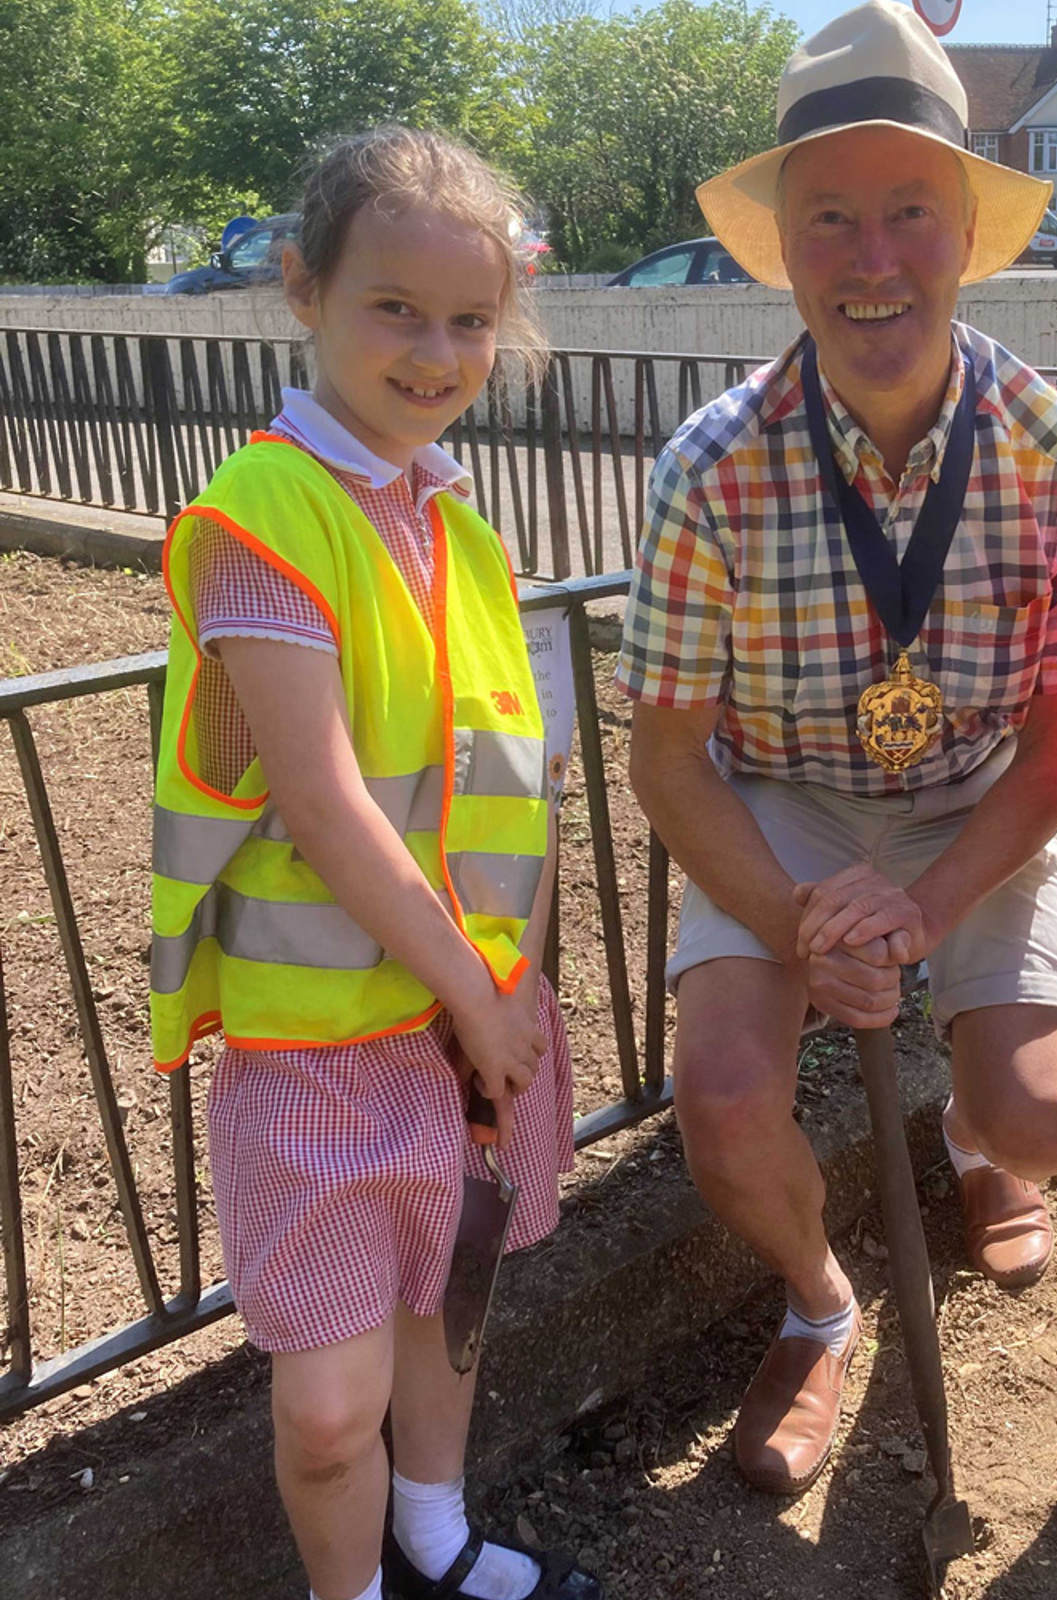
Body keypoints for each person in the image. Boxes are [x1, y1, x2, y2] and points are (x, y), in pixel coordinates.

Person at [618, 0, 1057, 1498]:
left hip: (979, 800)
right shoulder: (711, 466)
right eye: (830, 217)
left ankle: (975, 1134)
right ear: (786, 246)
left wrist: (932, 908)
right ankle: (817, 1304)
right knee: (719, 1097)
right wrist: (799, 923)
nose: (874, 256)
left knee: (1049, 1111)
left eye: (910, 211)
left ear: (967, 230)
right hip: (783, 804)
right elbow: (670, 758)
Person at [149, 127, 601, 1600]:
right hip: (324, 1047)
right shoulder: (258, 516)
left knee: (450, 1291)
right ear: (304, 290)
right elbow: (327, 802)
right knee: (331, 1405)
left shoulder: (455, 526)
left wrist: (506, 992)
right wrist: (481, 994)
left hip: (465, 1015)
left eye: (469, 320)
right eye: (393, 308)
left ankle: (438, 1538)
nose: (436, 349)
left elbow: (504, 784)